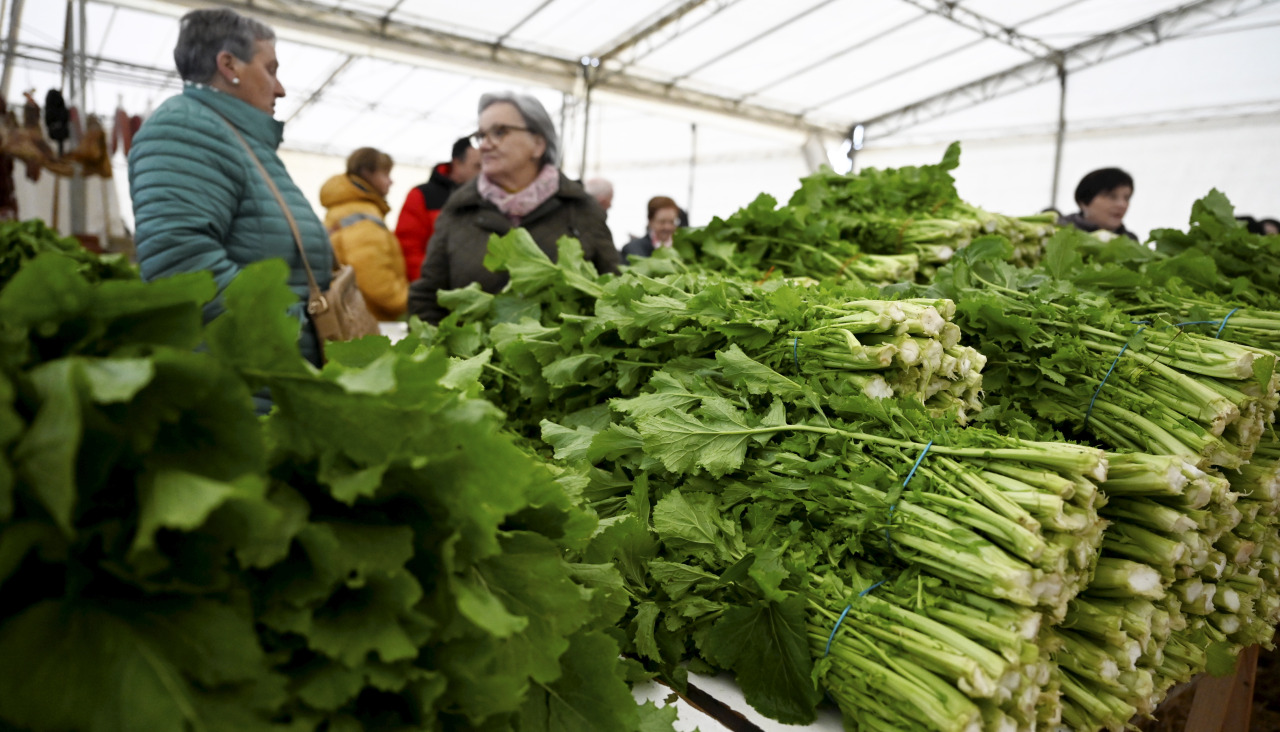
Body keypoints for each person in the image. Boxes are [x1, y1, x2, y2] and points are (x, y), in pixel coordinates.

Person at [129, 8, 332, 376]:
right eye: (270, 69)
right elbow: (181, 266)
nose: (281, 88)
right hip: (248, 382)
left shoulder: (235, 139)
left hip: (270, 374)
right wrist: (289, 328)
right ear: (229, 65)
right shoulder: (184, 129)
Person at [408, 92, 618, 324]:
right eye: (481, 135)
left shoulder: (580, 207)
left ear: (538, 144)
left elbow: (611, 290)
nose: (485, 145)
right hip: (473, 359)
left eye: (499, 132)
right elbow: (427, 296)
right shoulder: (458, 208)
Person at [320, 147, 406, 321]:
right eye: (385, 174)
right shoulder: (363, 215)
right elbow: (374, 278)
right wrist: (404, 301)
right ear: (367, 173)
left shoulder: (343, 208)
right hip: (368, 317)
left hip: (348, 313)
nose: (391, 181)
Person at [395, 137, 480, 282]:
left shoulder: (486, 198)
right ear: (457, 164)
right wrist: (431, 285)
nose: (483, 173)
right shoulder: (422, 195)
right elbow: (409, 249)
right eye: (477, 167)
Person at [1058, 168, 1138, 241]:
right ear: (1084, 202)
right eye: (1112, 196)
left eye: (1127, 198)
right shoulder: (1057, 231)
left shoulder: (1131, 241)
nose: (1122, 205)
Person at [621, 196, 680, 260]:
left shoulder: (684, 249)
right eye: (662, 222)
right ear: (650, 221)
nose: (667, 227)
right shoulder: (633, 250)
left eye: (672, 222)